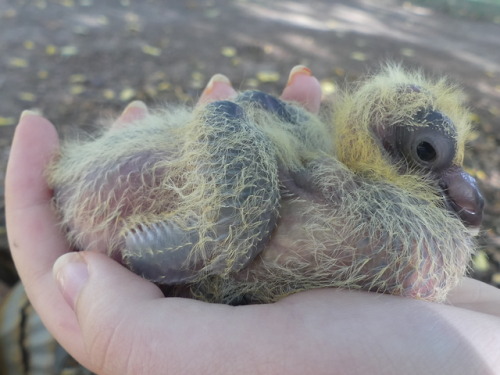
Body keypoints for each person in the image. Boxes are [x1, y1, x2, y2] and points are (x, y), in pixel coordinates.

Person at [5, 67, 500, 375]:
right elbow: (226, 117)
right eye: (427, 152)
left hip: (119, 232)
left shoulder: (373, 212)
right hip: (121, 208)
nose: (466, 191)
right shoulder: (364, 207)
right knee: (240, 210)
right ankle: (217, 234)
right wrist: (223, 231)